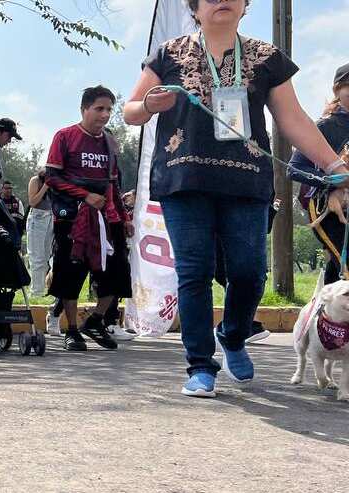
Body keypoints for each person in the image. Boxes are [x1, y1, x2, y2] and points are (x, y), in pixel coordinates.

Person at [124, 0, 349, 397]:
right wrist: (147, 105)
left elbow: (293, 119)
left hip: (246, 181)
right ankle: (200, 364)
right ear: (195, 8)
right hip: (183, 179)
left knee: (247, 271)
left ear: (246, 6)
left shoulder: (266, 57)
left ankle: (232, 334)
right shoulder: (168, 53)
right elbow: (130, 112)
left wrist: (334, 167)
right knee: (194, 271)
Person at [45, 85, 132, 353]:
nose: (105, 115)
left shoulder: (110, 142)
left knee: (116, 272)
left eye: (109, 109)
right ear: (84, 109)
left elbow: (113, 185)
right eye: (99, 109)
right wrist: (84, 195)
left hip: (107, 218)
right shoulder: (65, 137)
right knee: (70, 274)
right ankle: (71, 329)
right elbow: (52, 178)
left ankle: (94, 321)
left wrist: (125, 217)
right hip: (74, 219)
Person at [291, 62, 349, 285]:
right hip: (329, 210)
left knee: (337, 276)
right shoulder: (325, 127)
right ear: (337, 90)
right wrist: (335, 183)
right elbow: (294, 168)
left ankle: (323, 318)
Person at [25, 169, 53, 298]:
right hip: (37, 217)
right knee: (37, 257)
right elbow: (32, 202)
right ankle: (36, 291)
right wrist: (46, 187)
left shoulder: (57, 180)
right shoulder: (35, 180)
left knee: (47, 256)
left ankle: (45, 288)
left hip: (51, 216)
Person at [0, 179, 26, 247]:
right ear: (2, 189)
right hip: (1, 233)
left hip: (15, 233)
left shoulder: (17, 202)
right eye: (6, 188)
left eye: (10, 188)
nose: (9, 190)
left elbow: (22, 218)